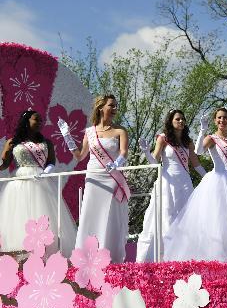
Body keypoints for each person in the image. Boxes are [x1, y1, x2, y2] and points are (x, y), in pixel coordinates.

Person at [164, 108, 227, 262]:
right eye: (219, 118)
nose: (222, 120)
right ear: (215, 120)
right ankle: (220, 257)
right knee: (219, 219)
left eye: (225, 117)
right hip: (218, 182)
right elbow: (199, 151)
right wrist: (202, 130)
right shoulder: (211, 138)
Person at [62, 95, 130, 263]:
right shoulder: (90, 132)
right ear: (101, 108)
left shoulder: (120, 130)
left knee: (110, 215)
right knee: (91, 214)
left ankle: (110, 255)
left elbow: (124, 152)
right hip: (94, 177)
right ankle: (86, 255)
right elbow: (79, 156)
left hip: (111, 176)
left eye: (115, 106)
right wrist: (67, 137)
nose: (114, 109)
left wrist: (117, 163)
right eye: (111, 105)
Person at [0, 110, 76, 255]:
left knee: (44, 215)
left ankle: (47, 252)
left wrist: (45, 172)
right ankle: (19, 252)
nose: (40, 122)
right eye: (36, 119)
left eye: (41, 120)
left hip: (41, 181)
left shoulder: (46, 143)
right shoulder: (13, 142)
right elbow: (4, 163)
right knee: (19, 215)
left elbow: (51, 162)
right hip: (19, 182)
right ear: (27, 121)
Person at [135, 109, 206, 262]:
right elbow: (154, 162)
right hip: (167, 182)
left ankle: (183, 256)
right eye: (177, 119)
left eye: (182, 119)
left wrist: (209, 178)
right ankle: (164, 256)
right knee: (166, 216)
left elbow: (196, 164)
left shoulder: (188, 142)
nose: (181, 122)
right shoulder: (163, 138)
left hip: (185, 183)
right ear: (171, 121)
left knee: (185, 217)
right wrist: (146, 152)